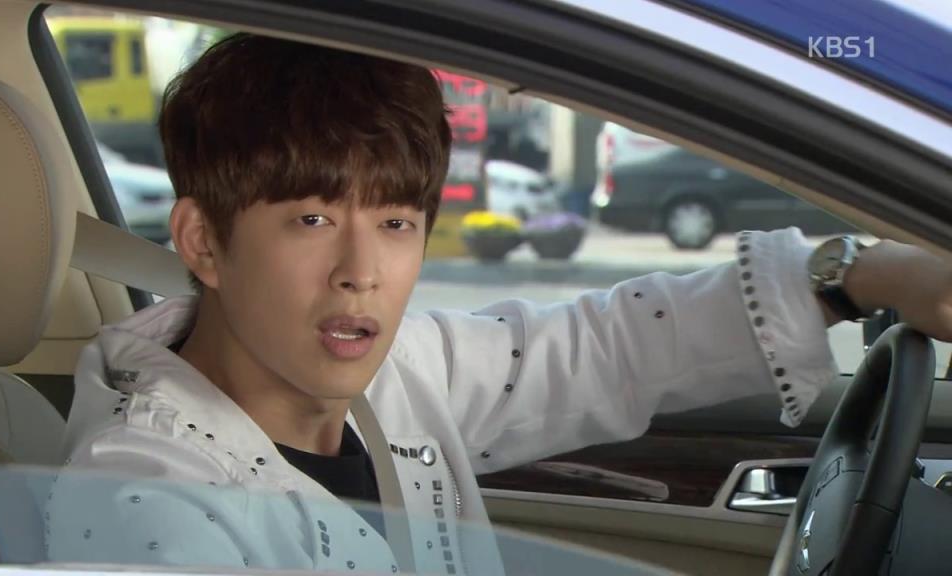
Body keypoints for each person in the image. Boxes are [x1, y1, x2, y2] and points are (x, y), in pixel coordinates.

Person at [46, 33, 952, 574]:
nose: (360, 271)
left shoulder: (395, 381)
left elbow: (608, 349)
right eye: (312, 219)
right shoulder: (149, 506)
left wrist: (858, 274)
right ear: (204, 241)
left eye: (396, 223)